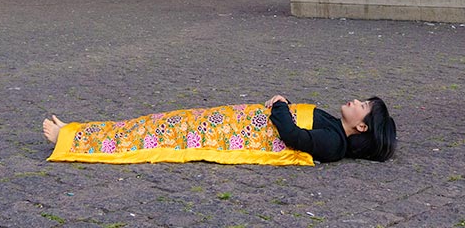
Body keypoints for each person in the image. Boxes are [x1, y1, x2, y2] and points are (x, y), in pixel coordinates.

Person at [43, 95, 395, 165]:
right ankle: (79, 132)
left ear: (361, 126)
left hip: (228, 133)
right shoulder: (335, 127)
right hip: (229, 120)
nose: (353, 100)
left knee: (161, 133)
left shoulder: (334, 143)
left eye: (361, 105)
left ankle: (73, 139)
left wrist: (279, 106)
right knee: (159, 123)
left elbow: (294, 138)